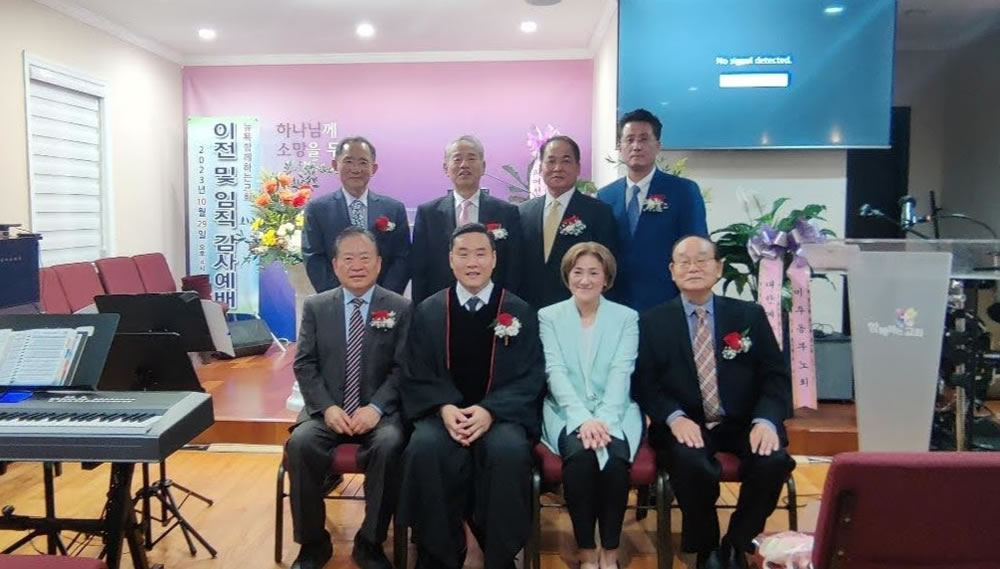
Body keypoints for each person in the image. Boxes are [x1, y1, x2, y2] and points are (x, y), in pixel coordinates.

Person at [633, 235, 794, 569]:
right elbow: (645, 384)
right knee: (690, 462)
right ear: (672, 271)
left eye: (702, 260)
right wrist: (674, 417)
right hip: (686, 422)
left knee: (772, 461)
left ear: (719, 268)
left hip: (744, 422)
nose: (693, 267)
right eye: (684, 261)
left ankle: (738, 543)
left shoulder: (749, 316)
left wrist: (765, 420)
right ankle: (705, 548)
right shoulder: (652, 322)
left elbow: (776, 376)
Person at [398, 223, 545, 569]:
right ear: (451, 260)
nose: (472, 262)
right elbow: (416, 370)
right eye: (463, 254)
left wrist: (489, 411)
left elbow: (531, 375)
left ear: (494, 259)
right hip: (443, 414)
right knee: (425, 447)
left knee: (508, 451)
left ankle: (499, 555)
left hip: (501, 416)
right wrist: (444, 407)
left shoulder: (519, 311)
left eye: (481, 253)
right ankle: (439, 553)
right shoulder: (429, 311)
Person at [287, 226, 411, 569]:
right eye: (349, 258)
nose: (357, 265)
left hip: (379, 413)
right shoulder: (316, 306)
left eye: (365, 258)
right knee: (301, 444)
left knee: (389, 444)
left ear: (379, 263)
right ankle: (313, 544)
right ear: (335, 265)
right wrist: (327, 408)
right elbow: (305, 363)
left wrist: (376, 408)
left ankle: (370, 543)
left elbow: (404, 368)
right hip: (327, 412)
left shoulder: (400, 307)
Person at [538, 242, 641, 569]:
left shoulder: (626, 317)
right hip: (565, 411)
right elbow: (555, 372)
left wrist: (604, 419)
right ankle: (585, 549)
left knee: (614, 462)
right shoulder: (548, 316)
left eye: (594, 273)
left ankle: (610, 550)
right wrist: (583, 419)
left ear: (606, 278)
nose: (585, 280)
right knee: (581, 459)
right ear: (567, 276)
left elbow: (621, 371)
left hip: (616, 411)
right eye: (578, 272)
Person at [597, 109, 708, 311]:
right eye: (629, 139)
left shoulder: (683, 191)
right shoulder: (606, 196)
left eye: (644, 139)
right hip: (615, 305)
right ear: (620, 147)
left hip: (667, 303)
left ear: (658, 146)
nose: (636, 146)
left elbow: (696, 248)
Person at [411, 135, 522, 303]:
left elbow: (514, 267)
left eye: (471, 158)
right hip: (442, 305)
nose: (464, 165)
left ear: (483, 167)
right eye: (457, 159)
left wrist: (508, 306)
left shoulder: (506, 212)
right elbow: (419, 270)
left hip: (494, 304)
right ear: (446, 168)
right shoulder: (428, 213)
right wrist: (420, 310)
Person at [302, 136, 411, 294]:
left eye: (363, 162)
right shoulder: (317, 209)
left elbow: (402, 258)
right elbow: (314, 258)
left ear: (374, 168)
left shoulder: (394, 209)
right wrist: (341, 297)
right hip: (335, 301)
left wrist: (383, 297)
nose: (356, 169)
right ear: (335, 165)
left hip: (383, 301)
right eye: (348, 161)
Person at [518, 135, 617, 308]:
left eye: (566, 161)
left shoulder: (599, 212)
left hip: (578, 309)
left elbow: (606, 266)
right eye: (551, 161)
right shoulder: (523, 212)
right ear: (540, 168)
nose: (558, 168)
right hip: (529, 309)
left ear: (578, 168)